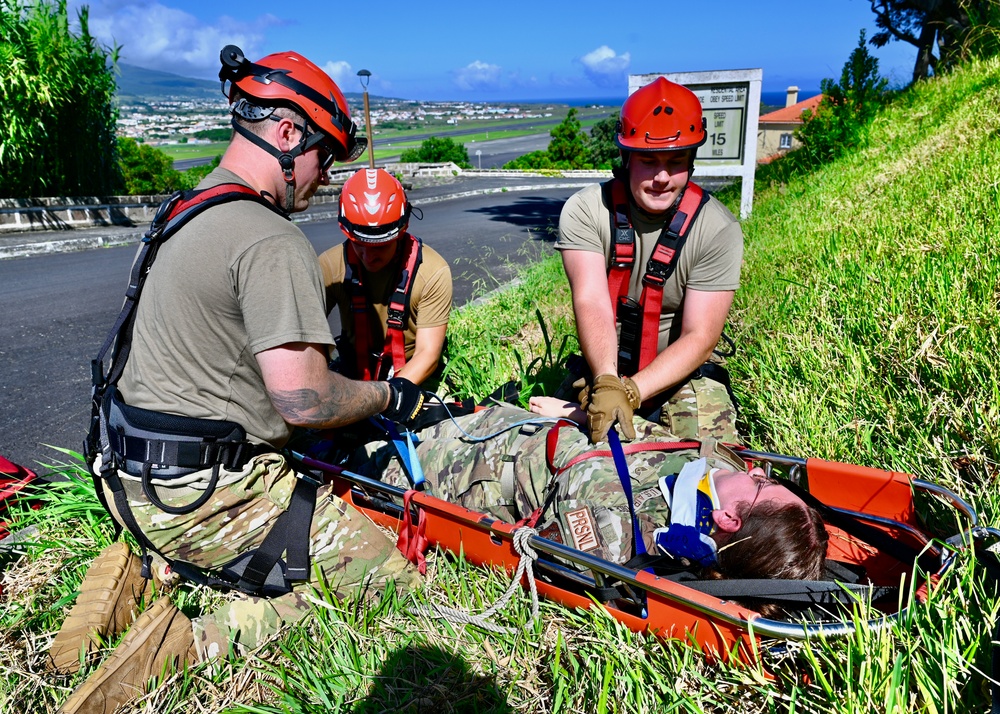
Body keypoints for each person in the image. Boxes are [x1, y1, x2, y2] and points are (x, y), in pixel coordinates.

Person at [50, 46, 425, 714]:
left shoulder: (184, 209)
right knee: (390, 585)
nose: (325, 176)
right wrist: (385, 395)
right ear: (288, 133)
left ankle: (148, 569)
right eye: (325, 156)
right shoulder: (270, 239)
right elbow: (304, 397)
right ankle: (191, 645)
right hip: (203, 496)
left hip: (126, 478)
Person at [365, 400, 829, 587]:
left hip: (462, 467)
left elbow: (578, 495)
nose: (757, 470)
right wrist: (573, 410)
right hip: (508, 424)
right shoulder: (717, 475)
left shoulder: (616, 526)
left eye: (762, 483)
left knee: (359, 448)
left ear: (728, 519)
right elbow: (641, 435)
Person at [556, 76, 744, 445]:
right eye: (647, 161)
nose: (661, 177)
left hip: (679, 373)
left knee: (710, 461)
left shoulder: (716, 228)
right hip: (603, 368)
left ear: (692, 161)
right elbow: (592, 299)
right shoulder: (586, 210)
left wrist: (631, 393)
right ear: (625, 159)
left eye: (675, 162)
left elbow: (700, 336)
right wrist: (608, 382)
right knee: (562, 451)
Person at [319, 168, 453, 390]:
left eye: (381, 246)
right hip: (353, 370)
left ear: (400, 232)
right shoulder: (330, 266)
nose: (369, 256)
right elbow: (304, 338)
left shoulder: (432, 272)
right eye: (359, 245)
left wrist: (385, 397)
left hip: (412, 373)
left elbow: (427, 354)